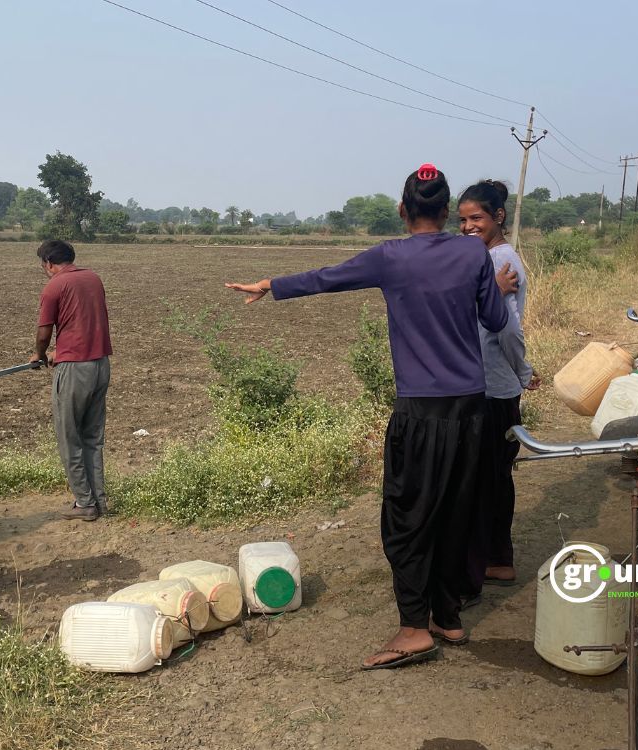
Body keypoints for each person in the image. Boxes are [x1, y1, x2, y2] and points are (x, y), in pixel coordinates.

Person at [227, 164, 523, 670]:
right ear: (448, 211)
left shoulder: (391, 257)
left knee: (406, 520)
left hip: (422, 413)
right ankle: (447, 617)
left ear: (403, 210)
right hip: (473, 410)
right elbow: (496, 320)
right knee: (456, 513)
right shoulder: (473, 253)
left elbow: (327, 278)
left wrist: (271, 284)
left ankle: (413, 629)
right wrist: (488, 288)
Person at [457, 181, 541, 593]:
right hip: (491, 382)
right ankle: (496, 557)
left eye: (477, 219)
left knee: (488, 477)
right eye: (463, 220)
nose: (468, 227)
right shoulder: (487, 256)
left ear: (498, 218)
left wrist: (523, 371)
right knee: (493, 475)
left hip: (494, 386)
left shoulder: (499, 261)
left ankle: (497, 560)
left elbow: (507, 329)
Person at [33, 239, 113, 521]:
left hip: (74, 370)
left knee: (69, 436)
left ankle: (84, 503)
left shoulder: (54, 286)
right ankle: (99, 501)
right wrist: (60, 351)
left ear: (49, 263)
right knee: (93, 437)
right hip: (100, 363)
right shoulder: (93, 279)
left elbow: (44, 332)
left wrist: (39, 354)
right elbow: (82, 323)